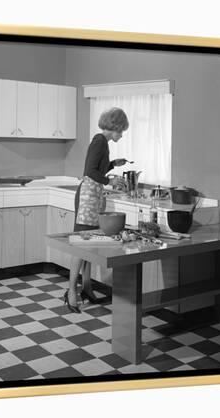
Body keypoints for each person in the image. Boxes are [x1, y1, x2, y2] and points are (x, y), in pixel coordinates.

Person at [63, 107, 130, 313]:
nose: (122, 133)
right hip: (87, 198)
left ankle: (87, 288)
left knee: (88, 244)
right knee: (80, 245)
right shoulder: (99, 141)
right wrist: (111, 179)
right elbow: (90, 171)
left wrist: (111, 164)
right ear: (116, 126)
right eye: (122, 130)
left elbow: (97, 168)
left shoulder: (103, 144)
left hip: (94, 196)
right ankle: (71, 291)